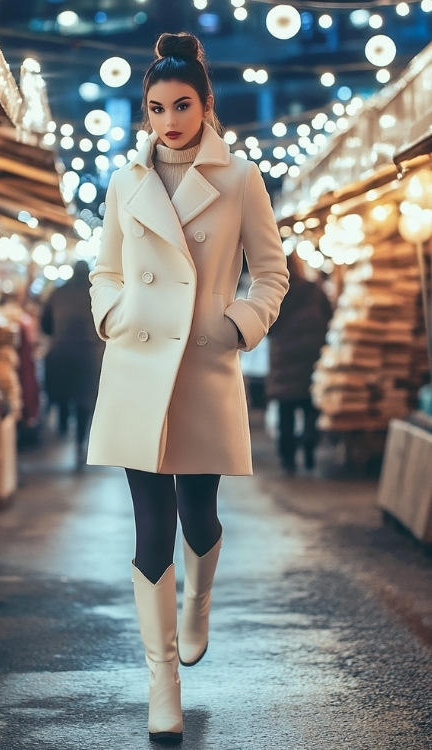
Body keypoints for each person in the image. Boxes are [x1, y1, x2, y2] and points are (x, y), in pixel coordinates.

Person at [87, 32, 289, 743]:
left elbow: (271, 273)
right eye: (154, 107)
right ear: (144, 114)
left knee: (198, 513)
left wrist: (237, 325)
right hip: (139, 366)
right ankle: (161, 681)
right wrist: (114, 312)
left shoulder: (241, 181)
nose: (168, 119)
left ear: (206, 106)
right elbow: (105, 270)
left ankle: (198, 599)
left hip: (204, 365)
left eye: (181, 104)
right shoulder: (122, 183)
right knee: (150, 526)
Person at [267, 252, 332, 474]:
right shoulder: (314, 289)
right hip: (310, 357)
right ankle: (309, 446)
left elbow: (266, 326)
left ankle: (287, 459)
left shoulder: (275, 292)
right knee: (309, 407)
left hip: (284, 360)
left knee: (286, 412)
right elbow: (329, 316)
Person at [41, 260, 105, 470]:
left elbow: (44, 324)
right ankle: (79, 443)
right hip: (89, 354)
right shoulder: (96, 293)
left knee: (62, 390)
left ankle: (61, 423)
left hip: (61, 350)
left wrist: (58, 334)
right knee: (84, 401)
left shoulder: (58, 292)